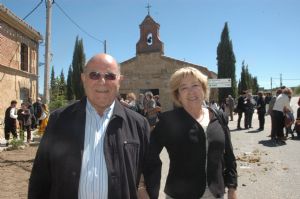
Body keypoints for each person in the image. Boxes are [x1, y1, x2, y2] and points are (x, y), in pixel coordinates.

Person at [28, 53, 151, 199]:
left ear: (120, 80)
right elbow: (40, 176)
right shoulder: (59, 120)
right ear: (83, 78)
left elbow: (150, 172)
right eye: (94, 75)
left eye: (110, 76)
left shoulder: (139, 124)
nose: (102, 81)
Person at [144, 67, 237, 199]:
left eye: (195, 85)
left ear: (204, 89)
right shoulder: (168, 121)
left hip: (216, 194)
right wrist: (143, 187)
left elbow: (229, 155)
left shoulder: (219, 116)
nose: (191, 92)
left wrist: (232, 188)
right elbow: (148, 155)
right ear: (178, 95)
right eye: (184, 88)